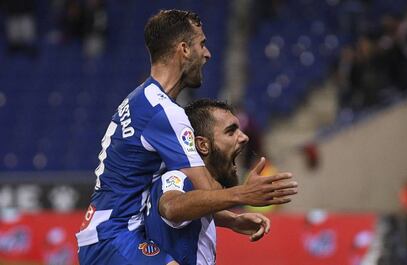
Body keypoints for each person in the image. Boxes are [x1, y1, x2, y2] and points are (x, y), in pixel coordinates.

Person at [77, 9, 297, 264]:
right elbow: (202, 190)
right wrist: (244, 195)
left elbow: (192, 200)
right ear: (184, 49)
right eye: (201, 44)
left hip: (104, 233)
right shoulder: (165, 112)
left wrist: (232, 219)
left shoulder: (141, 99)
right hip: (115, 236)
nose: (207, 53)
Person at [146, 99, 297, 264]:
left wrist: (232, 220)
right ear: (203, 145)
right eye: (231, 132)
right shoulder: (176, 176)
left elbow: (197, 208)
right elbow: (171, 207)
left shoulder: (200, 190)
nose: (244, 138)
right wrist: (242, 194)